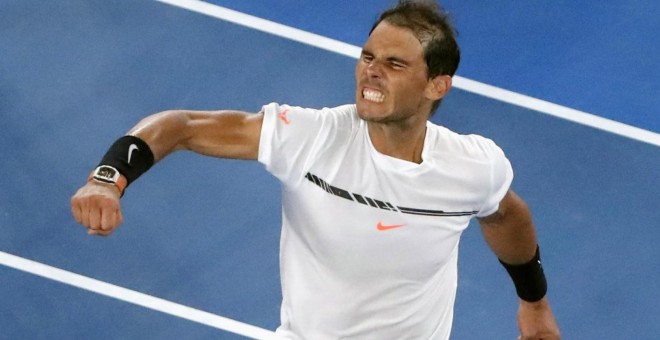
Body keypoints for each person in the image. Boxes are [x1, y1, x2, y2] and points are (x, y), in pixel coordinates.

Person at [71, 1, 560, 339]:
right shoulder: (310, 137)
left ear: (437, 85)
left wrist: (534, 302)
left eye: (394, 64)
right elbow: (181, 125)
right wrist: (109, 178)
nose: (371, 70)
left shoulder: (472, 167)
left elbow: (506, 217)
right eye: (368, 56)